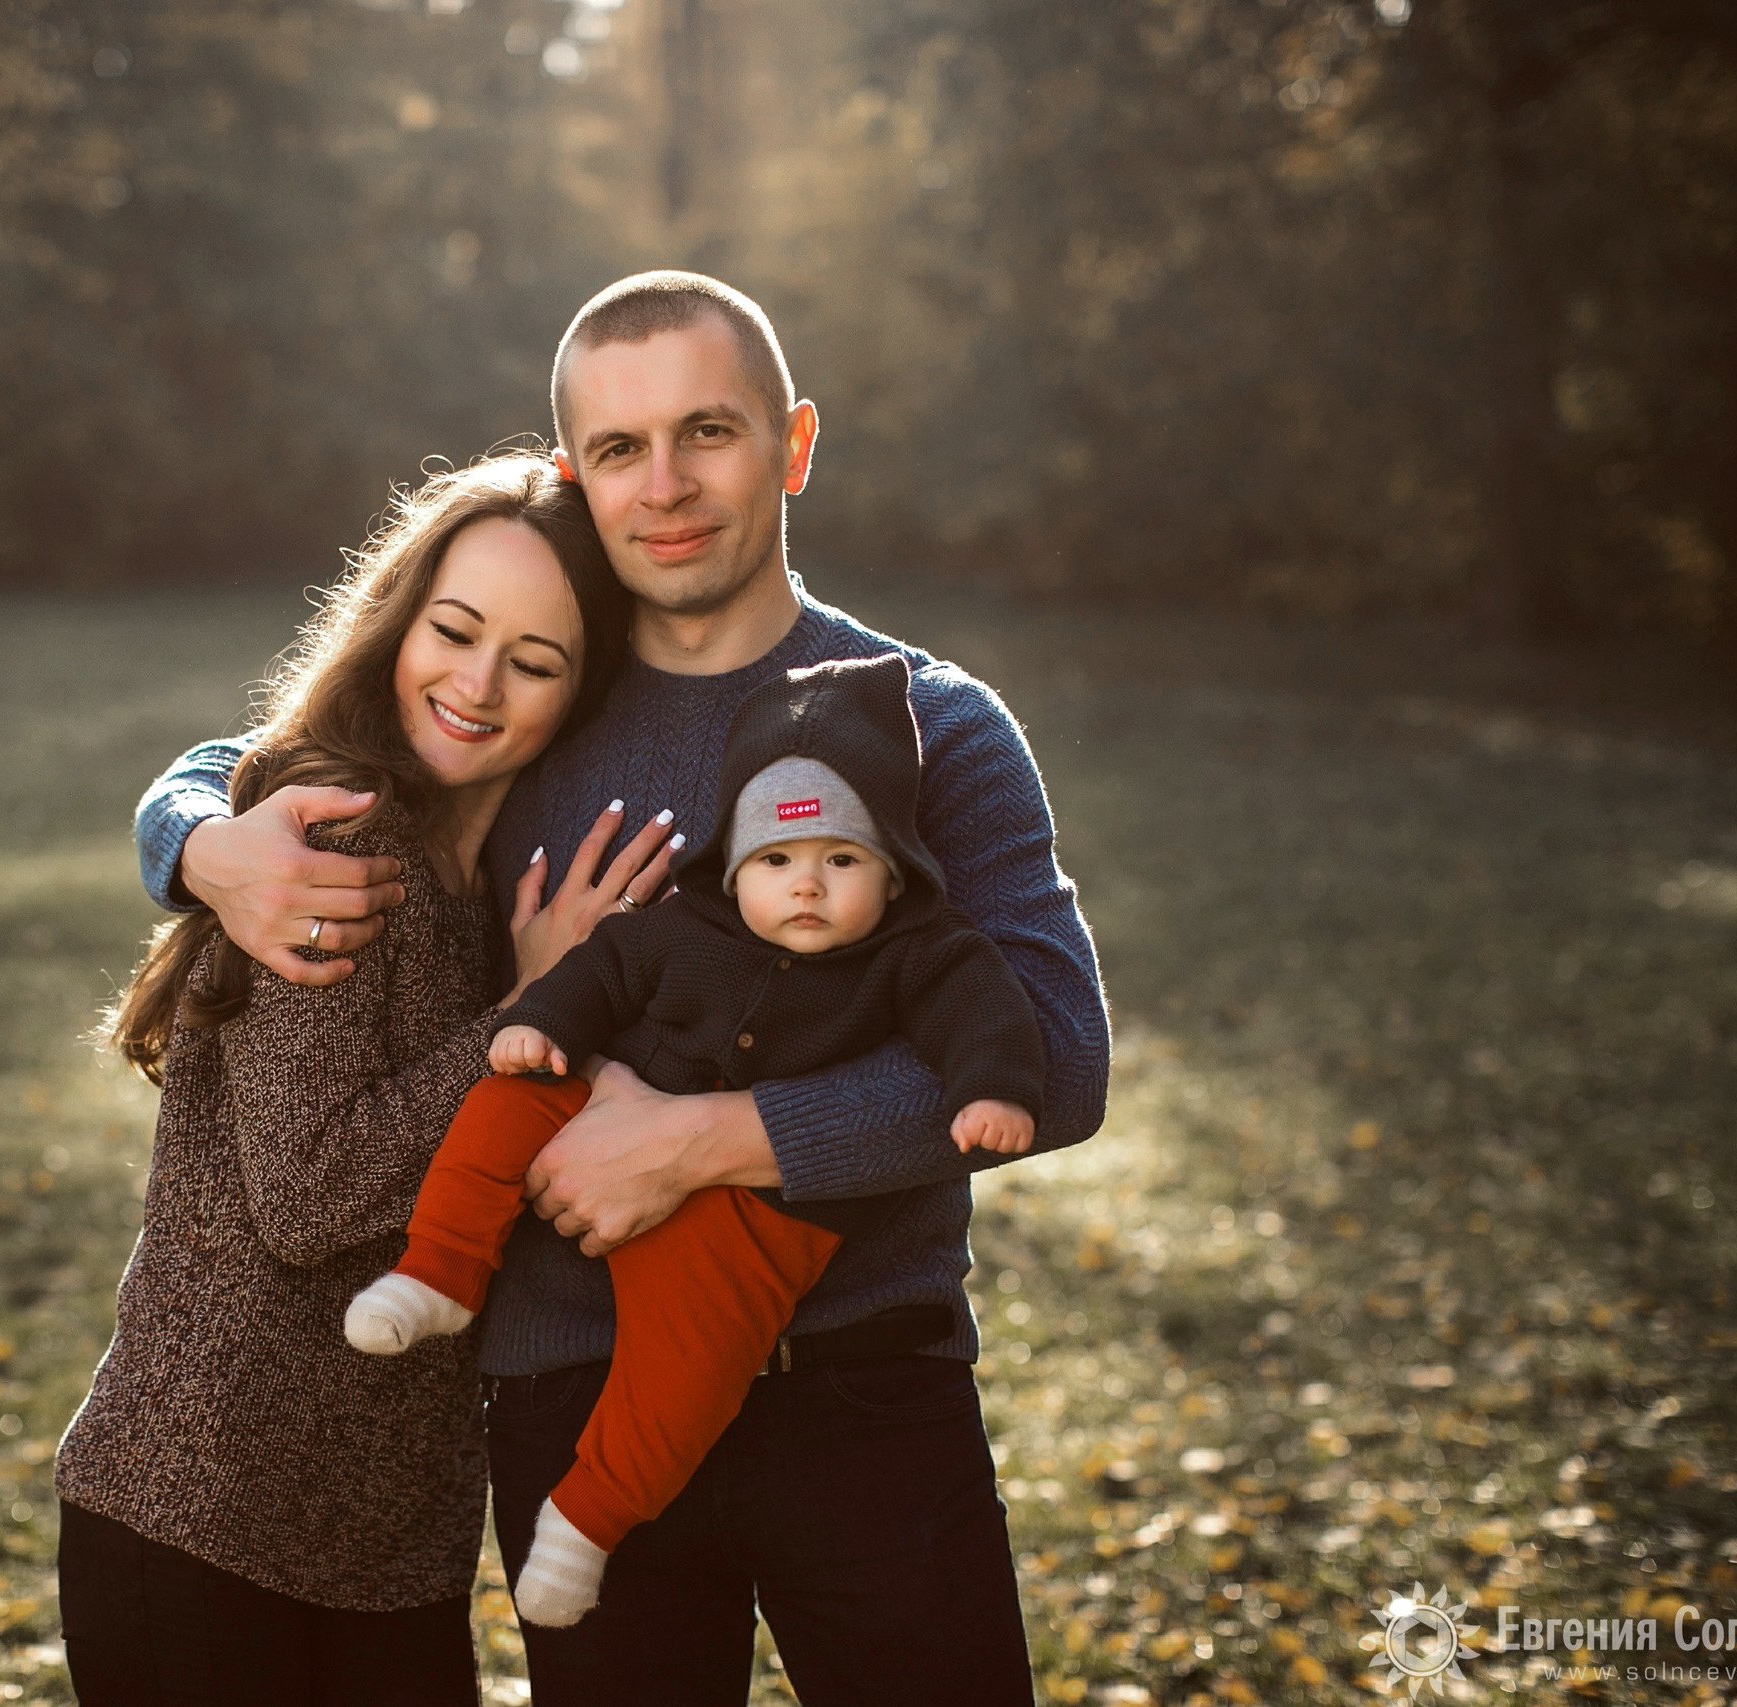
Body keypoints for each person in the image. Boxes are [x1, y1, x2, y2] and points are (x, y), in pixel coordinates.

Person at [135, 272, 1111, 1705]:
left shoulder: (925, 720)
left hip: (868, 1390)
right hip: (568, 1401)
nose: (665, 484)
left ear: (794, 442)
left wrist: (701, 1140)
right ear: (573, 476)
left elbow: (1059, 1059)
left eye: (708, 432)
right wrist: (192, 834)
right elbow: (300, 733)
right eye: (616, 448)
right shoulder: (536, 706)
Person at [53, 452, 668, 1706]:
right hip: (203, 1507)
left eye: (536, 662)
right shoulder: (333, 840)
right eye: (453, 630)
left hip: (386, 1547)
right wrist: (516, 1015)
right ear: (398, 620)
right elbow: (312, 1193)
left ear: (581, 693)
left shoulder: (494, 883)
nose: (477, 684)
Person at [345, 650, 1051, 1630]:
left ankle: (583, 1524)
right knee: (504, 1103)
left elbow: (999, 1024)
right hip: (591, 1153)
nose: (805, 887)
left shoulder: (921, 955)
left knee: (683, 1376)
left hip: (763, 1226)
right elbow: (598, 974)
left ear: (893, 877)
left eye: (841, 862)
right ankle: (438, 1274)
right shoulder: (681, 928)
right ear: (732, 867)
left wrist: (990, 1092)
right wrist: (544, 1024)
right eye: (776, 862)